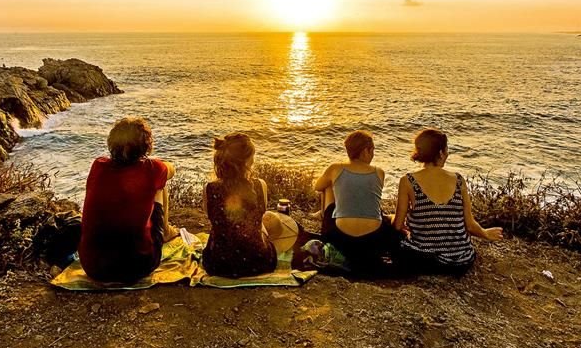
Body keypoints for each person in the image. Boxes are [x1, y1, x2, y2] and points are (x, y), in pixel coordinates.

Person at [78, 117, 178, 282]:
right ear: (146, 145)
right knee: (160, 185)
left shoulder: (98, 165)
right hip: (138, 266)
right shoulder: (153, 169)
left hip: (94, 267)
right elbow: (172, 169)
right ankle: (166, 232)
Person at [393, 129, 504, 275]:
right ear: (440, 153)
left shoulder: (408, 181)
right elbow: (469, 225)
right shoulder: (459, 180)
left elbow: (398, 226)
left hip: (424, 260)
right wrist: (485, 233)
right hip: (461, 262)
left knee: (395, 241)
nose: (447, 154)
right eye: (446, 150)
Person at [202, 133, 299, 278]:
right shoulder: (260, 185)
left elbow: (212, 217)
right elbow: (259, 217)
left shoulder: (209, 189)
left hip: (219, 265)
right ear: (248, 161)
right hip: (259, 263)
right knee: (268, 222)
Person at [313, 130, 400, 273]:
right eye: (372, 150)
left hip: (340, 238)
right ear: (366, 151)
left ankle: (323, 214)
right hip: (372, 240)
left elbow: (317, 187)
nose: (373, 154)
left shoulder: (335, 168)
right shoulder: (379, 172)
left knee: (327, 186)